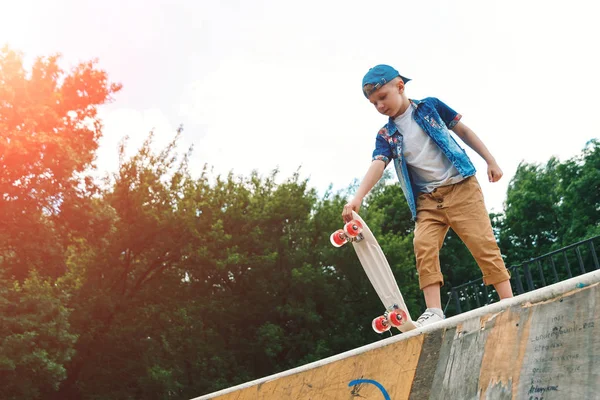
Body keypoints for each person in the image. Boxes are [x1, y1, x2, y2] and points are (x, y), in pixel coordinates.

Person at [342, 64, 513, 328]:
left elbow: (463, 131)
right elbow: (378, 164)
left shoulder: (430, 107)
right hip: (427, 201)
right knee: (423, 246)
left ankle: (508, 301)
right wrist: (358, 197)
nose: (380, 106)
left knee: (483, 244)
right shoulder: (386, 135)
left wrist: (490, 161)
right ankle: (434, 310)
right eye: (374, 103)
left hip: (461, 188)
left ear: (400, 86)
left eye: (383, 97)